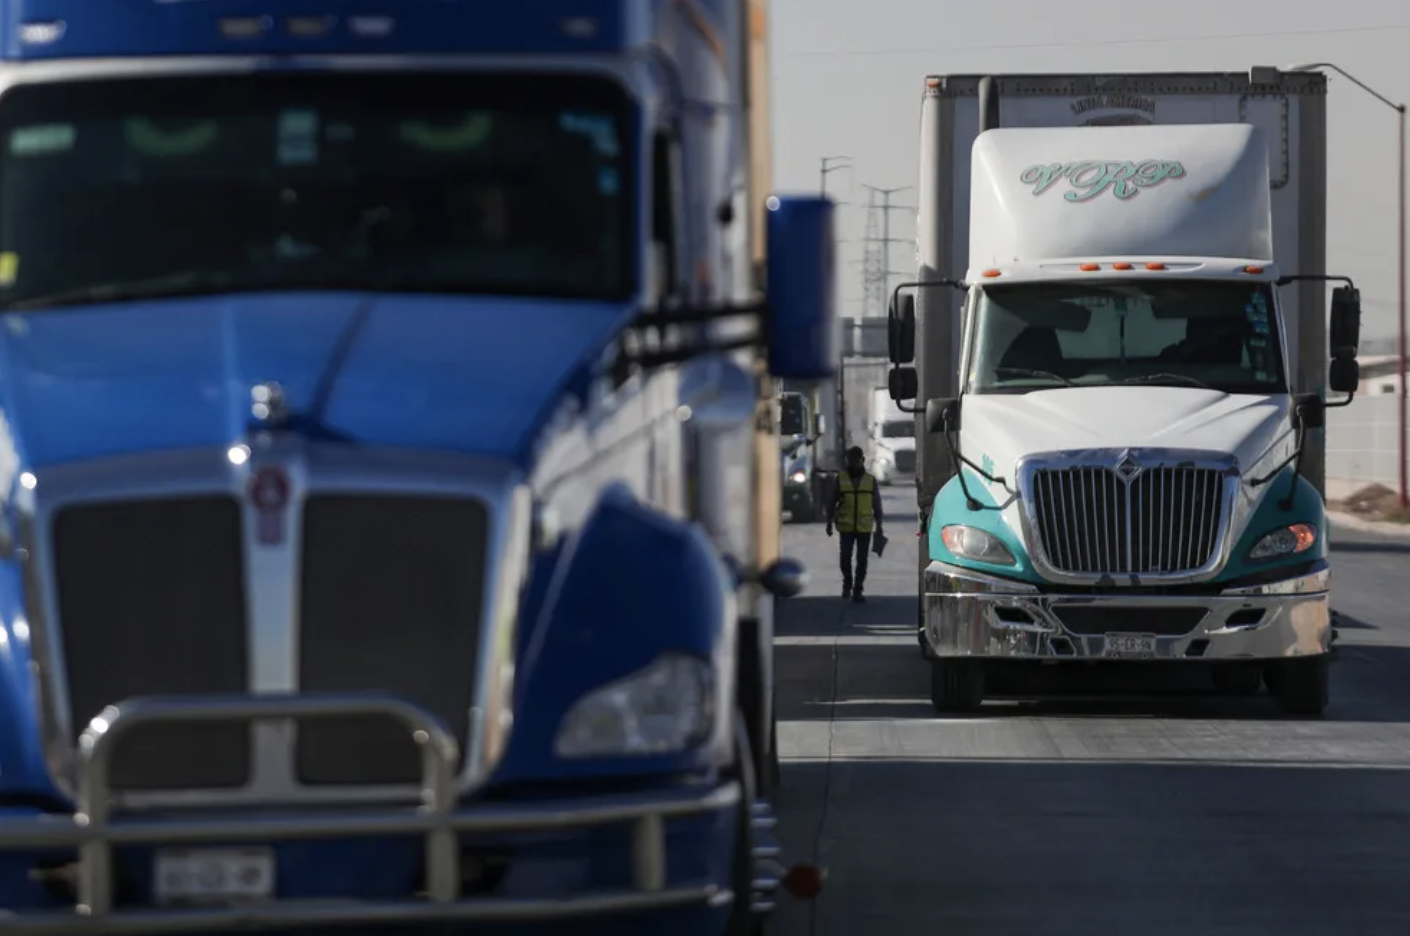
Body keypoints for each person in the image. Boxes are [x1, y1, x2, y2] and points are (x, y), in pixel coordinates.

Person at [826, 446, 884, 602]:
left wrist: (879, 526)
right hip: (846, 527)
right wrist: (829, 523)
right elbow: (832, 502)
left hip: (864, 528)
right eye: (851, 460)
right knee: (845, 557)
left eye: (856, 460)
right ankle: (847, 583)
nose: (853, 463)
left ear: (862, 460)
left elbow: (876, 504)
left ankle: (858, 589)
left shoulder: (870, 481)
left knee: (862, 560)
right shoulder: (841, 479)